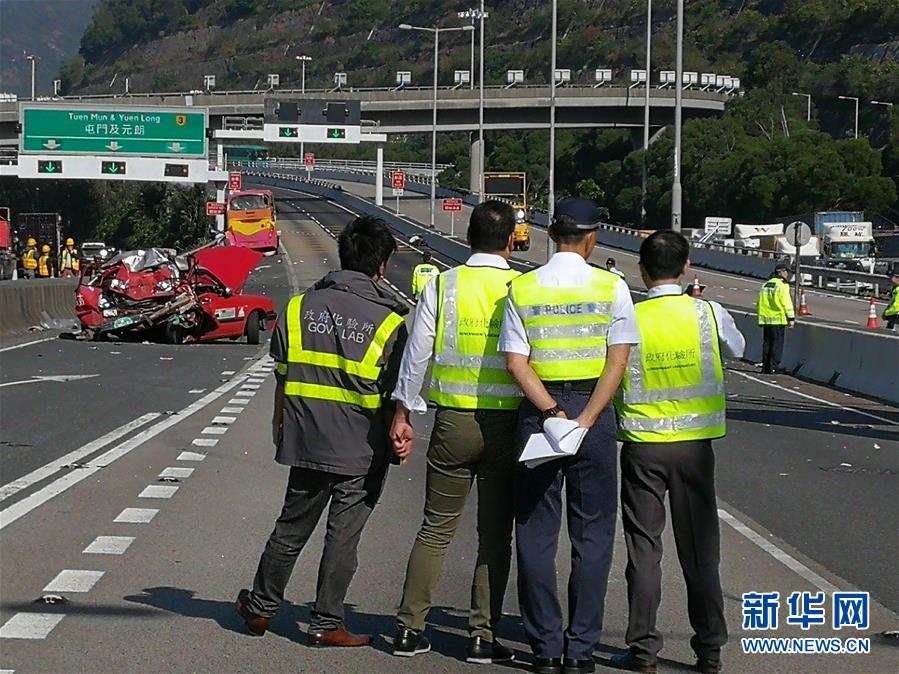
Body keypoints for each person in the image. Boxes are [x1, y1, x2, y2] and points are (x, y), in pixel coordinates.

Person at [236, 215, 408, 648]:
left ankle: (260, 609)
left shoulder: (298, 309)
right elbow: (393, 393)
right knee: (342, 537)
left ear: (342, 255)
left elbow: (282, 374)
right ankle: (326, 622)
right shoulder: (389, 322)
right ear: (381, 265)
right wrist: (398, 433)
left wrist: (279, 424)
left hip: (307, 439)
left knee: (291, 529)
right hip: (362, 449)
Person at [500, 197, 639, 674]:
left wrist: (553, 412)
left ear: (551, 235)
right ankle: (580, 651)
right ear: (591, 238)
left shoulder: (522, 288)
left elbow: (516, 363)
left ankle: (544, 648)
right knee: (593, 534)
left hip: (540, 415)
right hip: (592, 415)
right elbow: (617, 361)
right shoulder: (612, 286)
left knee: (535, 531)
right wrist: (586, 418)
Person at [390, 201, 522, 664]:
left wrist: (404, 412)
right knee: (495, 535)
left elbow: (417, 354)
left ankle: (409, 629)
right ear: (511, 241)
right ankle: (482, 636)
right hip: (506, 422)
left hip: (452, 421)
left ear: (468, 238)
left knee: (435, 528)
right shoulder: (521, 287)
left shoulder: (444, 285)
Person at [610, 230, 745, 674]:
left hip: (643, 448)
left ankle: (643, 651)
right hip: (694, 449)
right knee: (700, 551)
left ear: (641, 271)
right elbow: (738, 349)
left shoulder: (628, 316)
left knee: (643, 551)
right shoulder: (708, 313)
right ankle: (709, 651)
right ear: (686, 267)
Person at [756, 262, 794, 374]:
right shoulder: (782, 286)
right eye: (786, 272)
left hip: (766, 319)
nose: (788, 274)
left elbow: (759, 303)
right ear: (781, 272)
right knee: (777, 344)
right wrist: (791, 319)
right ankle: (774, 366)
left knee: (767, 344)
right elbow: (786, 303)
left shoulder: (766, 284)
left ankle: (766, 367)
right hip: (777, 319)